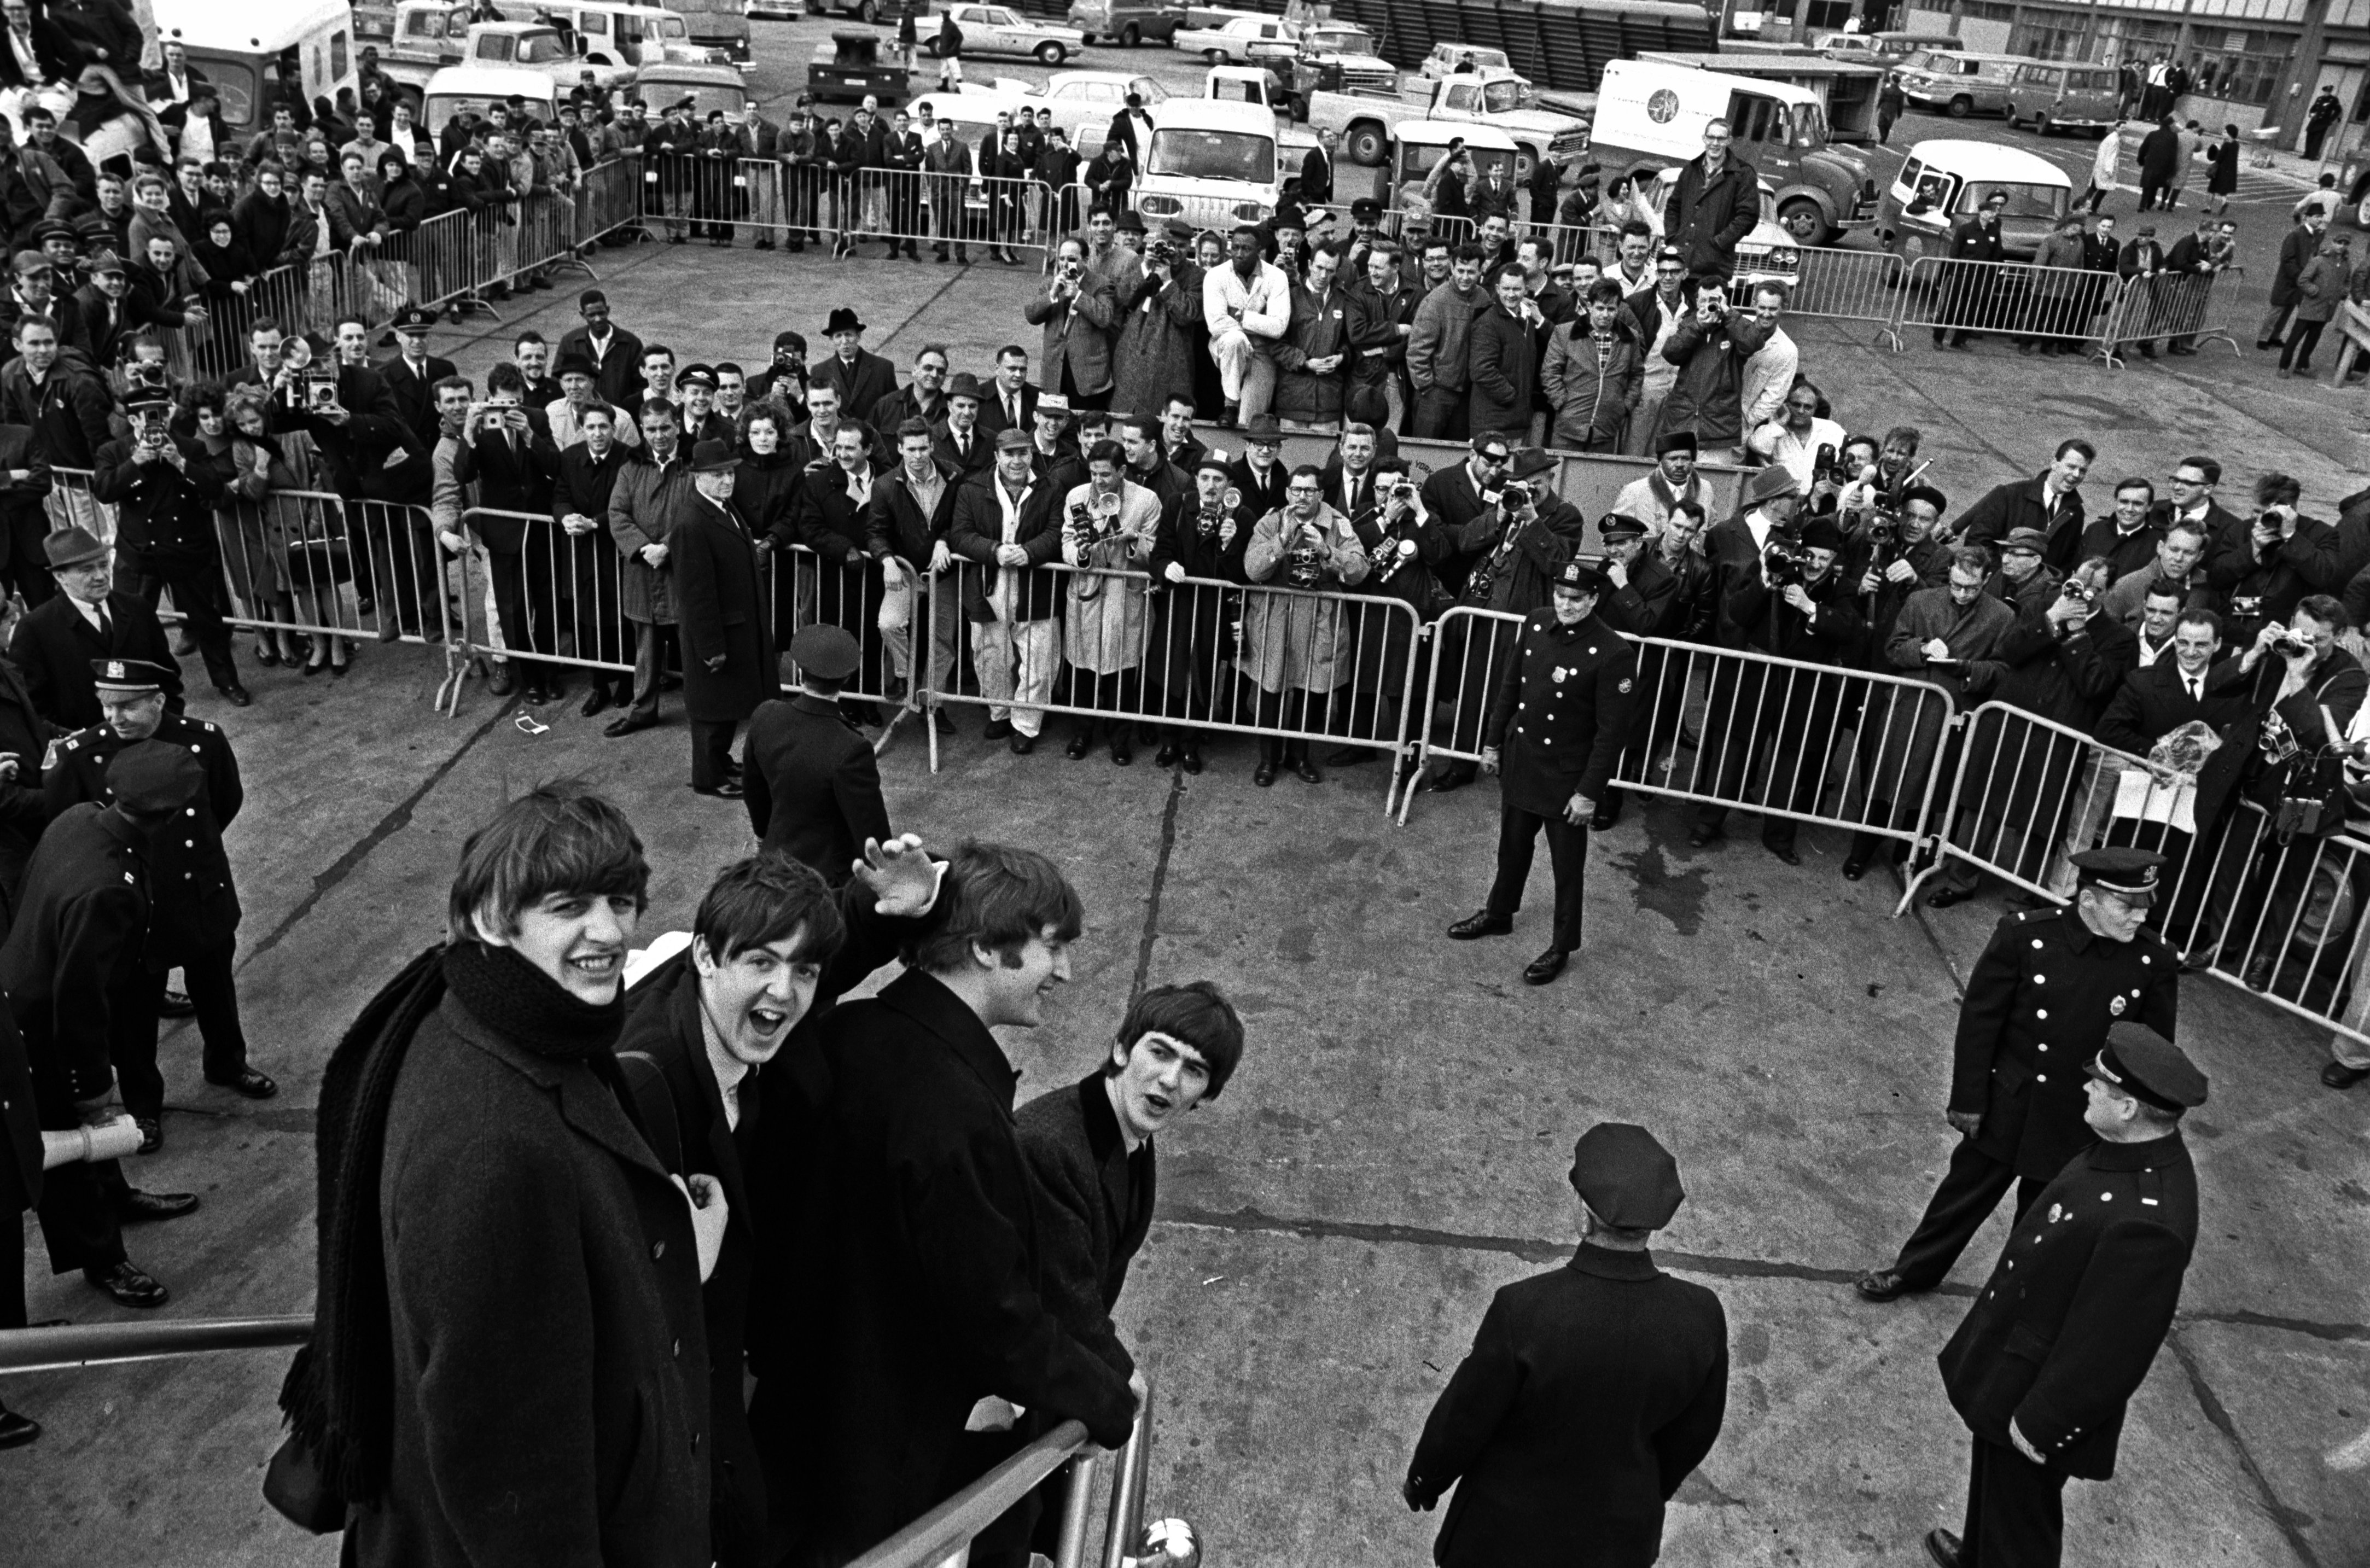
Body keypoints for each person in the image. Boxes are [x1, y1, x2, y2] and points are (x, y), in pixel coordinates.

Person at [282, 783, 721, 1566]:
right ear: (491, 918)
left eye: (621, 901)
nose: (610, 932)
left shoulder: (474, 1014)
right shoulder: (497, 1144)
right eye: (569, 905)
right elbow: (511, 1465)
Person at [783, 842, 1139, 1566]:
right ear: (984, 947)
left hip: (800, 1433)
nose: (1065, 971)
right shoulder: (955, 1111)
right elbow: (995, 1315)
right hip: (888, 1472)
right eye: (1051, 948)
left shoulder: (846, 1032)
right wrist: (1108, 1397)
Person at [616, 840, 944, 1567]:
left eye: (801, 970)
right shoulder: (649, 1087)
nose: (784, 991)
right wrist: (680, 1258)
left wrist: (903, 902)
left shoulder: (755, 1024)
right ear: (703, 955)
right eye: (759, 962)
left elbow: (833, 948)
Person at [1921, 1024, 2205, 1568]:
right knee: (1994, 1488)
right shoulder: (2123, 1147)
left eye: (2098, 1083)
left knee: (2021, 1530)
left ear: (2126, 1108)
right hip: (2014, 1361)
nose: (2087, 1088)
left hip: (2040, 1393)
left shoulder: (2151, 1221)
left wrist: (2044, 1422)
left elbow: (2112, 1348)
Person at [1855, 848, 2180, 1304]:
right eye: (2127, 906)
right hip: (2012, 1102)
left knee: (2044, 1219)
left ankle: (2011, 1298)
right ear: (2088, 900)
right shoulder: (2026, 937)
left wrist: (2133, 1128)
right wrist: (1968, 1098)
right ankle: (1912, 1270)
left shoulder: (2152, 962)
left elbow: (2151, 1052)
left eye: (2145, 904)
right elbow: (1980, 1022)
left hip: (2079, 1117)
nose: (2139, 916)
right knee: (1961, 1197)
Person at [1404, 1122, 1727, 1567]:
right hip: (1616, 1541)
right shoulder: (1701, 1316)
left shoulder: (1525, 1310)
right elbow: (1693, 1434)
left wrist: (1426, 1479)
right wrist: (1644, 1490)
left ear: (1583, 1215)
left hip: (1502, 1538)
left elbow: (1465, 1416)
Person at [1008, 981, 1244, 1551]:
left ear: (1206, 1093)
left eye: (1193, 1070)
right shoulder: (1053, 1143)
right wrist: (1120, 1384)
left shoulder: (1128, 1135)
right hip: (987, 1397)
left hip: (1037, 1381)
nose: (1169, 1079)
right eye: (1159, 1052)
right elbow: (1068, 1298)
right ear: (1121, 1049)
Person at [3, 741, 206, 1313]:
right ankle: (102, 1255)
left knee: (91, 1143)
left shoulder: (80, 818)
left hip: (24, 989)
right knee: (71, 1144)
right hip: (38, 1032)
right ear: (168, 816)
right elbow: (78, 1000)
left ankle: (115, 1196)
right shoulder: (109, 888)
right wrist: (93, 1085)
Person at [47, 657, 273, 1151]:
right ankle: (144, 1108)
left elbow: (223, 803)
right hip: (131, 905)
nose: (116, 717)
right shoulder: (84, 754)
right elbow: (70, 825)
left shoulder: (203, 741)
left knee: (215, 988)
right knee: (133, 1014)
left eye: (128, 705)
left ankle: (227, 1063)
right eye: (107, 705)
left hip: (198, 893)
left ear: (158, 700)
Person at [1448, 558, 1640, 986]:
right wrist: (1493, 744)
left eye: (1575, 599)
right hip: (1524, 760)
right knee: (1511, 848)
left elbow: (1611, 735)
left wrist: (1589, 793)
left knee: (1566, 869)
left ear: (1593, 599)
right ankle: (1499, 913)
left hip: (1566, 778)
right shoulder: (1536, 624)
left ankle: (1562, 946)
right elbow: (1510, 687)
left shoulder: (1613, 654)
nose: (1565, 605)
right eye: (1559, 596)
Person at [742, 625, 893, 883]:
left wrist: (763, 835)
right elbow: (872, 834)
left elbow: (754, 790)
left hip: (773, 862)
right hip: (826, 880)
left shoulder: (766, 715)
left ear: (801, 672)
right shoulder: (852, 748)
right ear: (846, 678)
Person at [669, 438, 776, 799]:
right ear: (697, 476)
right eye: (717, 474)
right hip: (716, 636)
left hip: (736, 628)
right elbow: (696, 595)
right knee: (711, 712)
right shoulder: (692, 521)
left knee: (726, 706)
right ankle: (708, 777)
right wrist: (711, 647)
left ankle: (719, 763)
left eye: (729, 472)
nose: (727, 480)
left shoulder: (722, 508)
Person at [949, 428, 1063, 754]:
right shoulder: (973, 489)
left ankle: (1026, 724)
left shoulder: (1050, 487)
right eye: (1010, 454)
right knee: (990, 653)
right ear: (997, 457)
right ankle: (999, 711)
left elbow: (1057, 531)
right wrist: (995, 550)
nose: (1017, 461)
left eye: (1023, 453)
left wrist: (1029, 551)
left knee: (1039, 657)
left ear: (1031, 455)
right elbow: (960, 534)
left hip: (1035, 585)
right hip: (988, 583)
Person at [13, 526, 182, 731]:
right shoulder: (35, 628)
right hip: (89, 747)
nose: (101, 576)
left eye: (103, 565)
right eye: (87, 570)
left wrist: (167, 721)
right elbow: (35, 705)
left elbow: (167, 674)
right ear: (60, 576)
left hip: (151, 735)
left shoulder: (137, 608)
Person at [606, 397, 697, 737]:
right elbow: (617, 514)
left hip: (682, 573)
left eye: (665, 428)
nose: (658, 435)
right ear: (642, 430)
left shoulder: (694, 466)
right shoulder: (630, 469)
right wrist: (645, 548)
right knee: (645, 647)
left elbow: (700, 512)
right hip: (642, 573)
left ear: (677, 426)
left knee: (691, 647)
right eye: (651, 429)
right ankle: (643, 709)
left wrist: (668, 548)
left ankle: (704, 712)